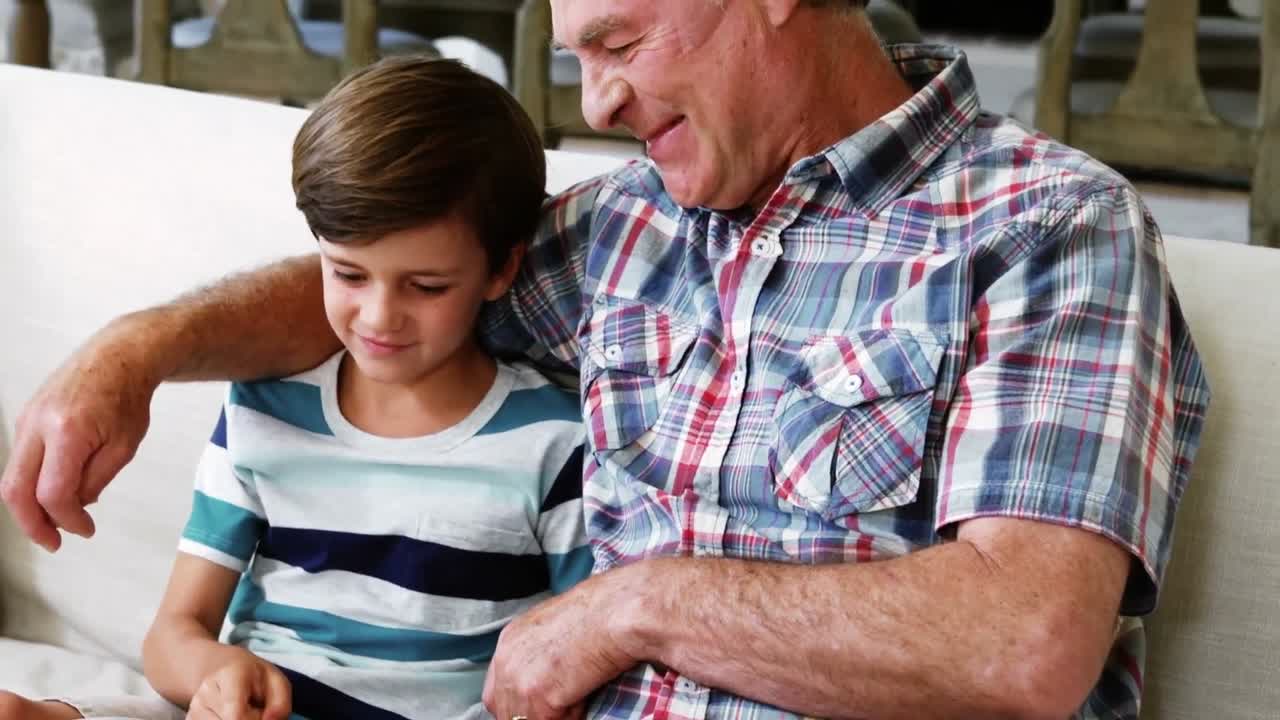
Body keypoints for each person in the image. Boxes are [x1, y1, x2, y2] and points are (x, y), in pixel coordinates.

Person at [0, 1, 1212, 718]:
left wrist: (635, 604)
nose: (599, 101)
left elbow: (1021, 642)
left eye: (620, 41)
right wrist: (139, 350)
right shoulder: (630, 226)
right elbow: (392, 286)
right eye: (577, 55)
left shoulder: (1040, 226)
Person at [0, 56, 589, 720]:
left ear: (501, 268)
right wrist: (218, 671)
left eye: (426, 287)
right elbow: (173, 636)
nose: (377, 317)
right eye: (347, 273)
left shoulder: (555, 442)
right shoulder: (266, 406)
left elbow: (579, 660)